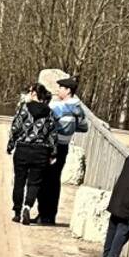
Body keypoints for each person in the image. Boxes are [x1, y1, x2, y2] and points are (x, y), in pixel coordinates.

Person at [36, 76, 89, 226]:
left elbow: (44, 123)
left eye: (60, 88)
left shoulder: (57, 107)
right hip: (64, 146)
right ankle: (50, 216)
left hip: (52, 146)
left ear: (68, 90)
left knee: (44, 180)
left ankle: (43, 214)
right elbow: (84, 127)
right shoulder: (78, 108)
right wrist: (70, 128)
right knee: (55, 181)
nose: (58, 90)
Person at [6, 83, 57, 226]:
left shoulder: (24, 109)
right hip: (40, 151)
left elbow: (15, 128)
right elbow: (52, 134)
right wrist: (53, 153)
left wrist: (11, 145)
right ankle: (28, 206)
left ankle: (17, 212)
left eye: (30, 91)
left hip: (23, 149)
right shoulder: (49, 112)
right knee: (34, 182)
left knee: (19, 181)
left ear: (34, 94)